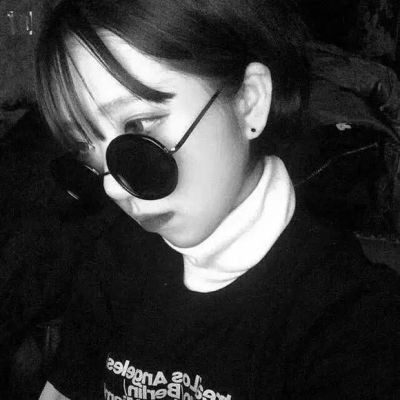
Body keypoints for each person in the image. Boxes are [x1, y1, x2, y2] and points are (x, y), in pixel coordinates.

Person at [35, 0, 400, 399]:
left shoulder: (357, 321)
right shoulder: (114, 260)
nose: (114, 188)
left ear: (249, 102)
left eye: (138, 126)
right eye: (85, 148)